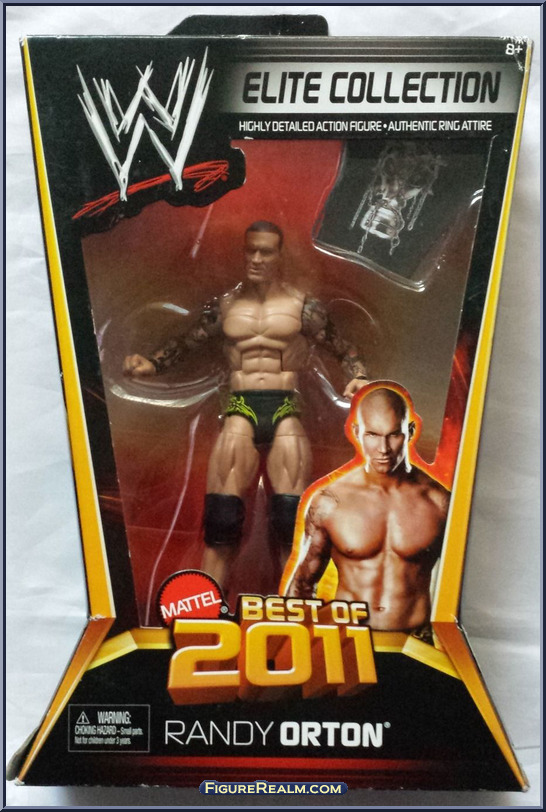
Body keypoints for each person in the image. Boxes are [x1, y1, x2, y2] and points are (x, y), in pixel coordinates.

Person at [123, 221, 369, 590]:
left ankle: (295, 610)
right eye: (250, 250)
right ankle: (206, 606)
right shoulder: (225, 306)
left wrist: (359, 376)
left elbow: (343, 347)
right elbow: (188, 342)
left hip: (285, 407)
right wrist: (152, 364)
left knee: (291, 524)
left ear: (280, 256)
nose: (256, 258)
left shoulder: (302, 306)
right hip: (239, 407)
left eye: (265, 251)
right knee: (221, 522)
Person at [284, 384, 450, 634]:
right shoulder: (330, 502)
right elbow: (302, 584)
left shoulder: (439, 502)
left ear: (410, 431)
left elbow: (464, 587)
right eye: (372, 434)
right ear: (356, 432)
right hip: (347, 640)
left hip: (413, 645)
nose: (383, 449)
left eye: (394, 435)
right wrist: (291, 644)